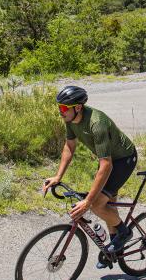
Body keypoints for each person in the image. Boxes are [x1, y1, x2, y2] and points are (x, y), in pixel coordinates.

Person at [43, 85, 137, 269]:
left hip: (123, 160)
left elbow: (107, 165)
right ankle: (113, 249)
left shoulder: (97, 123)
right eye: (59, 107)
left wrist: (87, 202)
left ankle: (124, 234)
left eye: (63, 108)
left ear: (77, 107)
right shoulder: (70, 119)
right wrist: (58, 176)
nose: (60, 112)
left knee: (96, 204)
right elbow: (69, 146)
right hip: (108, 160)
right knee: (107, 204)